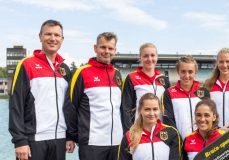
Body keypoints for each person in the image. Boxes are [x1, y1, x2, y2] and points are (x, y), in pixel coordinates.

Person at [9, 19, 74, 160]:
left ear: (62, 39)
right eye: (48, 34)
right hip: (33, 140)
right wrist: (20, 141)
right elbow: (16, 105)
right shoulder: (26, 64)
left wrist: (69, 136)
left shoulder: (65, 69)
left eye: (57, 35)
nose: (52, 38)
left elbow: (68, 106)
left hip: (59, 139)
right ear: (40, 36)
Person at [64, 32, 123, 160]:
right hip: (92, 143)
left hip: (117, 142)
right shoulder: (82, 72)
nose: (106, 51)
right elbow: (70, 107)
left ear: (115, 51)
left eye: (110, 48)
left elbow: (121, 108)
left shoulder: (117, 74)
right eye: (103, 47)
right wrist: (71, 136)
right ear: (95, 48)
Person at [121, 43, 170, 132]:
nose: (149, 59)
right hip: (139, 131)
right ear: (140, 57)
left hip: (161, 131)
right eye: (145, 56)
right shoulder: (131, 78)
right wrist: (129, 131)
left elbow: (168, 108)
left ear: (157, 57)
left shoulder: (163, 79)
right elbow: (125, 109)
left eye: (152, 55)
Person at [118, 93, 182, 160]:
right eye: (147, 109)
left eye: (155, 109)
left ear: (160, 110)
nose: (151, 113)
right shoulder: (129, 136)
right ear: (140, 110)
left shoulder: (171, 133)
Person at [162, 55, 210, 139]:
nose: (187, 75)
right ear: (178, 71)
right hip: (180, 144)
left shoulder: (204, 92)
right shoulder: (168, 93)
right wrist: (178, 141)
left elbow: (209, 118)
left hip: (202, 143)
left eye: (190, 72)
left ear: (195, 72)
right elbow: (168, 121)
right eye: (183, 71)